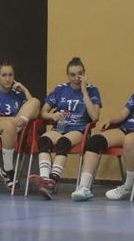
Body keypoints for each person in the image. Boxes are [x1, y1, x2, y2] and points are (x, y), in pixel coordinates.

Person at [71, 50, 134, 201]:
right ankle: (84, 187)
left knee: (129, 141)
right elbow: (124, 114)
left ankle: (128, 186)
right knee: (95, 141)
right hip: (127, 127)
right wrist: (111, 120)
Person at [29, 57, 102, 199]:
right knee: (43, 140)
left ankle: (53, 180)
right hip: (60, 127)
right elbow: (43, 112)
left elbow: (94, 117)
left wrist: (84, 92)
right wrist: (52, 115)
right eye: (72, 75)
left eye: (79, 74)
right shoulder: (60, 89)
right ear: (68, 76)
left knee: (63, 142)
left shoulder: (92, 90)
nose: (76, 78)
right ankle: (44, 179)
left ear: (84, 74)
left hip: (78, 129)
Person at [0, 61, 40, 190]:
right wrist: (15, 120)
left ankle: (6, 170)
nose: (7, 78)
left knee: (35, 101)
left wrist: (24, 90)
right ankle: (9, 171)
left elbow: (35, 109)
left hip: (12, 129)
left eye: (10, 75)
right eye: (4, 75)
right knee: (9, 125)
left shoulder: (17, 94)